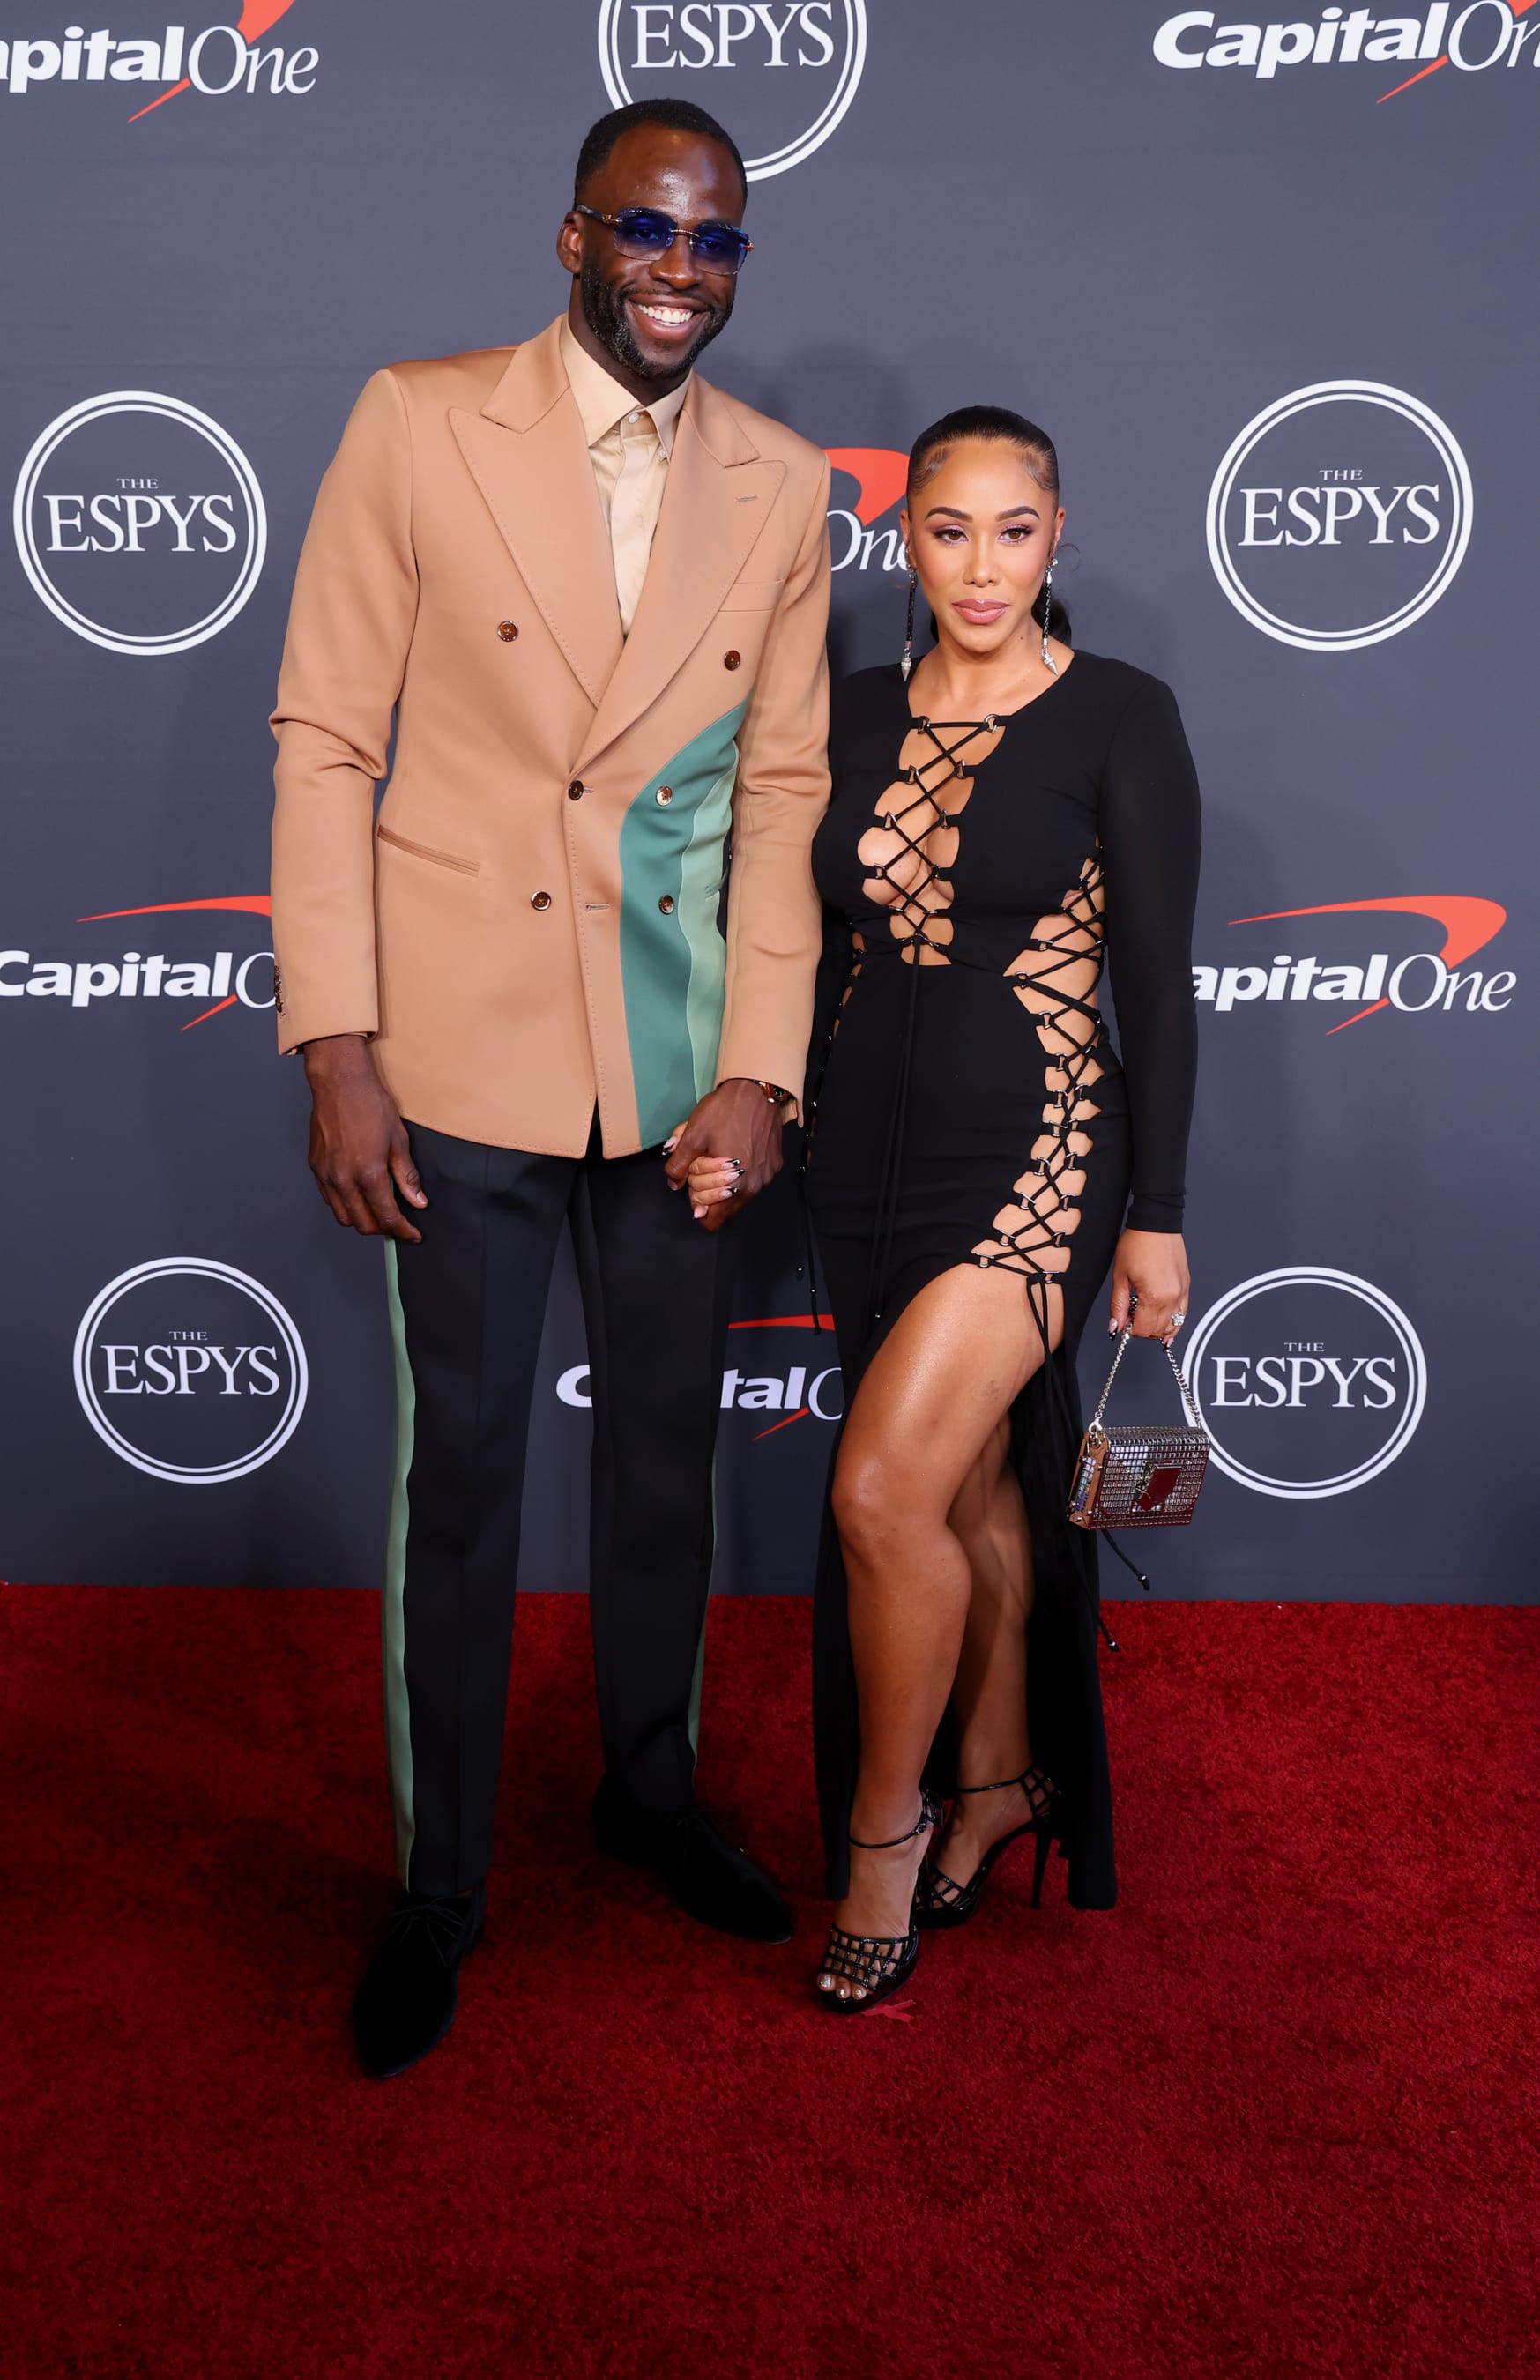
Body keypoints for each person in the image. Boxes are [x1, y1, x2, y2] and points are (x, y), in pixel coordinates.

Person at [269, 99, 832, 2076]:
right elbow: (329, 737)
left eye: (718, 242)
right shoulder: (418, 421)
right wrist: (339, 1047)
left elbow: (781, 794)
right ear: (572, 236)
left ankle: (651, 1793)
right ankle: (441, 1878)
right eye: (647, 231)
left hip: (675, 1065)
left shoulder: (776, 483)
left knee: (668, 1459)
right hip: (461, 1052)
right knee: (466, 1485)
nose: (683, 271)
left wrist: (760, 1065)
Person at [689, 407, 1200, 2008]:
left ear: (1061, 539)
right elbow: (795, 940)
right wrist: (759, 1106)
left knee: (880, 1498)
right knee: (972, 1499)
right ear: (900, 537)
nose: (982, 566)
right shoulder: (843, 713)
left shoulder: (1121, 714)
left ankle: (882, 1838)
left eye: (1015, 531)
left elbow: (1158, 993)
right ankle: (998, 1782)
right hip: (864, 1162)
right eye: (950, 530)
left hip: (1044, 1156)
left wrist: (1159, 1212)